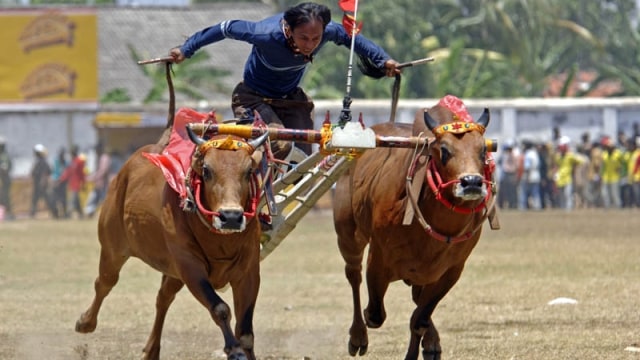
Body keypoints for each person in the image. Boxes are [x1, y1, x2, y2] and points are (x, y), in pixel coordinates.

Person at [169, 2, 400, 158]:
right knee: (281, 143)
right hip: (252, 99)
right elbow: (224, 28)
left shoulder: (328, 32)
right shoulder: (264, 34)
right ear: (288, 30)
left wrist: (383, 60)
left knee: (303, 156)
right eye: (304, 38)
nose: (310, 44)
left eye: (315, 38)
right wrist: (186, 49)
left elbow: (353, 39)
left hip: (291, 99)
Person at [58, 145, 86, 219]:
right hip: (72, 184)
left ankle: (68, 214)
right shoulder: (72, 162)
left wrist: (83, 183)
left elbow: (81, 174)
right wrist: (61, 179)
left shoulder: (79, 161)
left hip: (76, 184)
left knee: (73, 200)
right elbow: (68, 172)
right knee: (76, 201)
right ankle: (81, 214)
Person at [84, 142, 112, 218]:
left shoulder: (105, 158)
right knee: (93, 198)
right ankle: (89, 212)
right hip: (98, 184)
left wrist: (93, 177)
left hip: (104, 184)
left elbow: (103, 171)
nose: (96, 151)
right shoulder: (98, 157)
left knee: (104, 200)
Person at [30, 144, 53, 218]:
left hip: (41, 185)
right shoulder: (40, 162)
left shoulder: (41, 162)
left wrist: (42, 182)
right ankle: (32, 213)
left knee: (47, 199)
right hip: (39, 185)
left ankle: (54, 212)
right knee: (36, 200)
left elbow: (46, 173)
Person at [51, 147, 69, 219]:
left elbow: (66, 173)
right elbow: (55, 172)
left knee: (63, 199)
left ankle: (64, 214)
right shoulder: (56, 161)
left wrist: (61, 180)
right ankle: (56, 214)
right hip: (56, 183)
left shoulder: (66, 162)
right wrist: (55, 181)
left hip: (62, 183)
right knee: (54, 199)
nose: (61, 155)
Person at [0, 136, 14, 220]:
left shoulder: (4, 155)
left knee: (5, 197)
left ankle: (8, 215)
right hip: (3, 180)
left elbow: (6, 168)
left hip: (4, 181)